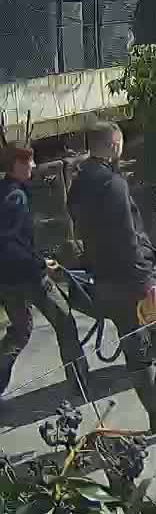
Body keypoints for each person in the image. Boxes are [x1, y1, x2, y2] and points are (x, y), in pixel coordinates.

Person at [67, 122, 156, 433]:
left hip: (103, 282)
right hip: (132, 282)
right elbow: (127, 240)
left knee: (137, 351)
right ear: (114, 145)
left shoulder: (79, 184)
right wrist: (150, 282)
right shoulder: (112, 184)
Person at [0, 146, 88, 407]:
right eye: (28, 162)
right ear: (15, 166)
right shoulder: (14, 198)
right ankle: (80, 383)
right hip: (28, 276)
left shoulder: (6, 192)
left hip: (7, 279)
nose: (34, 166)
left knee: (19, 332)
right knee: (65, 321)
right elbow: (10, 243)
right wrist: (41, 263)